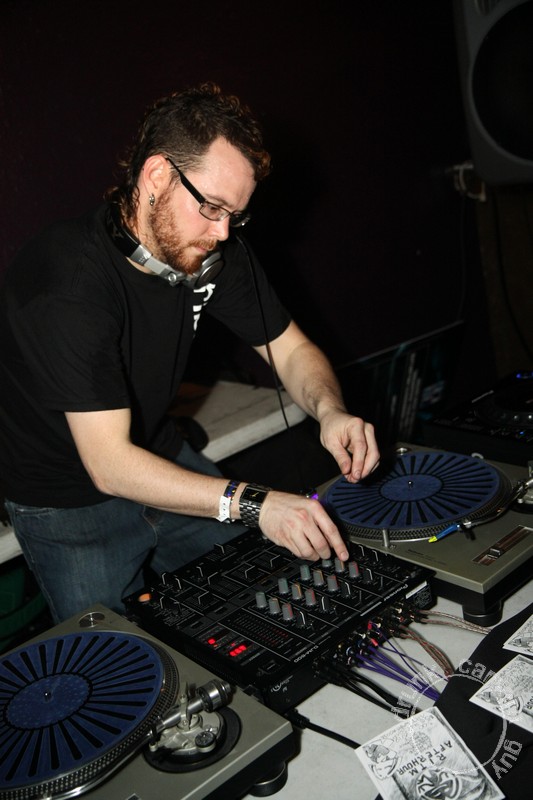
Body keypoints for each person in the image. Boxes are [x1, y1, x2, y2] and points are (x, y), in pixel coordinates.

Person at [0, 83, 379, 624]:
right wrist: (255, 503)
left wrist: (329, 410)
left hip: (160, 450)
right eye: (212, 207)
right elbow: (109, 465)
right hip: (66, 500)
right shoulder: (70, 284)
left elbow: (291, 349)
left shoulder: (208, 249)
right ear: (156, 176)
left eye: (235, 216)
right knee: (122, 656)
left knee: (254, 605)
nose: (222, 233)